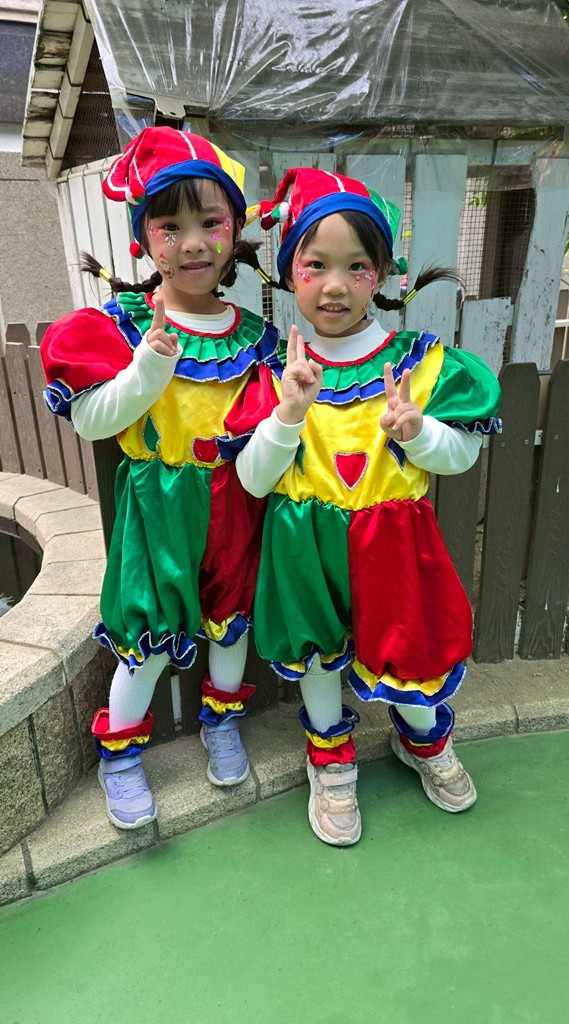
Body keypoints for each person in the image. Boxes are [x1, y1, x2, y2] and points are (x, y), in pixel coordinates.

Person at [235, 167, 501, 846]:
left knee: (408, 651)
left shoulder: (420, 362)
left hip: (393, 541)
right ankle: (329, 757)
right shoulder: (270, 370)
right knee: (317, 655)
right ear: (289, 271)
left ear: (380, 273)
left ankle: (422, 740)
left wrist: (418, 433)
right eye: (315, 265)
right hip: (303, 542)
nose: (334, 285)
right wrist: (289, 414)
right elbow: (254, 481)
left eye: (356, 266)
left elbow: (459, 456)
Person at [40, 127, 279, 829]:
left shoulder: (256, 337)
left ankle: (221, 723)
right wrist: (149, 364)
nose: (193, 242)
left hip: (234, 499)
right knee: (146, 636)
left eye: (210, 222)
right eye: (170, 226)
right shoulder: (119, 325)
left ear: (235, 230)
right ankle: (120, 756)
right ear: (143, 237)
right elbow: (93, 421)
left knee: (230, 626)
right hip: (158, 501)